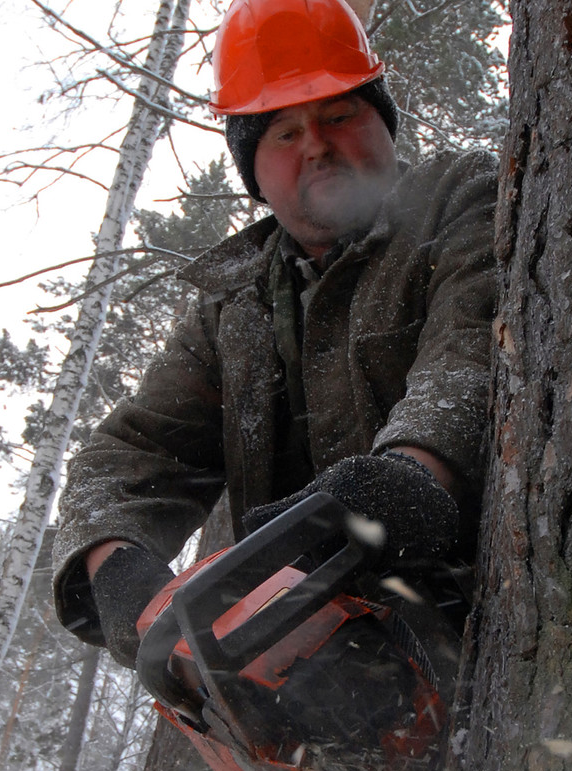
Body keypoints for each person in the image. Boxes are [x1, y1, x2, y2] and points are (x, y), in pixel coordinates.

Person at [48, 0, 498, 687]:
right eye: (284, 132)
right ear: (254, 172)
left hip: (476, 618)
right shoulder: (232, 308)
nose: (316, 143)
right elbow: (134, 450)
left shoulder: (457, 199)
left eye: (339, 115)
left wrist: (405, 478)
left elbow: (471, 347)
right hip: (301, 666)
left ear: (382, 122)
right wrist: (114, 562)